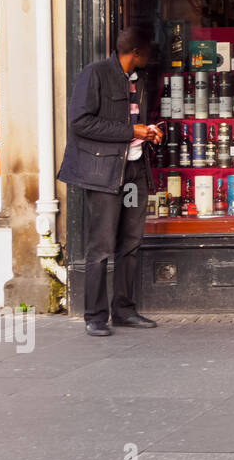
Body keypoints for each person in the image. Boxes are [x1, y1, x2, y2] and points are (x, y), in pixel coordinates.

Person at [58, 26, 163, 336]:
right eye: (148, 52)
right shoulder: (95, 74)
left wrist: (148, 132)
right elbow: (80, 123)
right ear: (137, 53)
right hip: (105, 177)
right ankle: (94, 315)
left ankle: (124, 310)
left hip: (132, 175)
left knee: (130, 242)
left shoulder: (139, 80)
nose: (150, 58)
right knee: (101, 246)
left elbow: (134, 122)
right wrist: (132, 132)